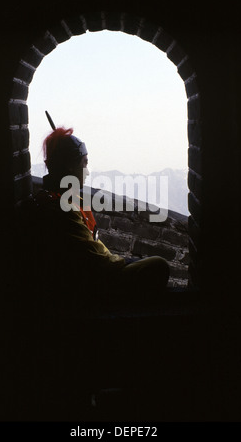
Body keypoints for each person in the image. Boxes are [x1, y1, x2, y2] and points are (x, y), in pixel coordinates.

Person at [31, 118, 169, 313]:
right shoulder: (62, 208)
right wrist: (128, 262)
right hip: (85, 287)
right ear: (70, 166)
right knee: (158, 265)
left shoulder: (64, 199)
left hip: (86, 277)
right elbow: (99, 262)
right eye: (84, 162)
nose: (87, 171)